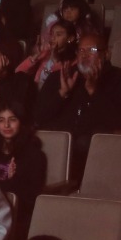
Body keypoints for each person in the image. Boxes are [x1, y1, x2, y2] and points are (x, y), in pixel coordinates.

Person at [35, 31, 121, 172]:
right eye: (81, 50)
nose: (84, 55)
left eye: (91, 50)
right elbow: (38, 117)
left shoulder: (117, 79)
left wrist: (93, 92)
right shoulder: (61, 76)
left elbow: (117, 122)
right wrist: (62, 94)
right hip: (58, 152)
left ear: (106, 54)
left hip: (98, 156)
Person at [0, 101, 47, 223]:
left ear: (21, 122)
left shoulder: (34, 155)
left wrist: (11, 180)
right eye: (1, 120)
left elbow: (31, 195)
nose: (6, 125)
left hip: (17, 212)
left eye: (12, 120)